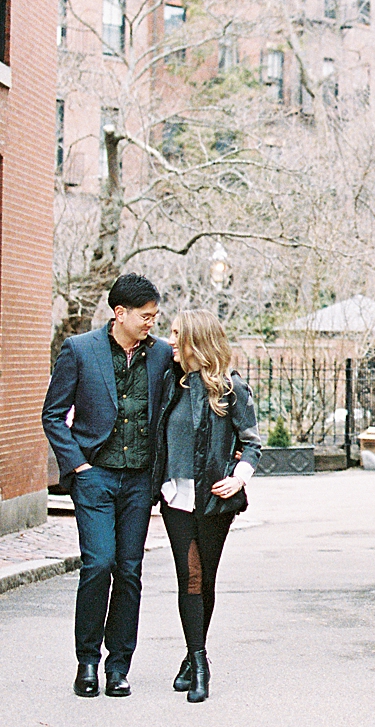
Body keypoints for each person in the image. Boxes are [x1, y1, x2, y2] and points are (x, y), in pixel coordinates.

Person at [42, 273, 172, 698]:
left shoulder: (162, 356)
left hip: (138, 481)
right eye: (145, 315)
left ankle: (119, 666)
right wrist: (77, 466)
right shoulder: (79, 350)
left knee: (130, 571)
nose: (152, 321)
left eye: (155, 315)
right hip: (94, 476)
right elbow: (53, 414)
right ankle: (87, 663)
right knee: (98, 565)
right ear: (120, 313)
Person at [153, 309, 262, 703]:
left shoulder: (231, 389)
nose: (170, 340)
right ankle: (200, 663)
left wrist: (238, 477)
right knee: (191, 576)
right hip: (175, 498)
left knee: (207, 579)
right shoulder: (171, 382)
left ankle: (190, 654)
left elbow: (252, 442)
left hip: (216, 500)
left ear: (195, 341)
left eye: (177, 334)